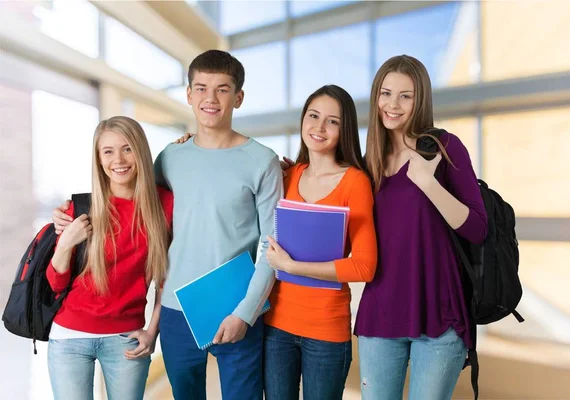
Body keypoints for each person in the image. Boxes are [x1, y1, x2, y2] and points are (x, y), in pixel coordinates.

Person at [52, 50, 283, 400]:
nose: (210, 98)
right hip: (176, 312)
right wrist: (68, 217)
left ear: (238, 97)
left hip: (236, 303)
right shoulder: (171, 157)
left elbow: (272, 244)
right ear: (189, 95)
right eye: (201, 88)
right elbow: (128, 190)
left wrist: (246, 312)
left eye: (222, 89)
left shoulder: (262, 161)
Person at [354, 55, 488, 400]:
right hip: (381, 313)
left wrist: (429, 184)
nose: (392, 105)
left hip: (439, 315)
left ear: (421, 100)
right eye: (385, 93)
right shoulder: (368, 161)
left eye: (405, 96)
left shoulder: (444, 147)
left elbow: (477, 227)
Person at [262, 85, 377, 400]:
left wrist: (292, 266)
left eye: (333, 121)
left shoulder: (355, 182)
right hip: (276, 326)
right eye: (313, 116)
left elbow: (364, 266)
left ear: (345, 130)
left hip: (326, 331)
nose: (319, 127)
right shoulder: (286, 176)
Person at [46, 116, 173, 400]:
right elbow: (55, 283)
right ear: (99, 159)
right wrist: (65, 243)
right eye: (108, 151)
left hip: (126, 339)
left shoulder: (164, 205)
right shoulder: (79, 209)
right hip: (69, 337)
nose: (119, 159)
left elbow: (168, 279)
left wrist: (153, 331)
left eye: (127, 148)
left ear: (140, 152)